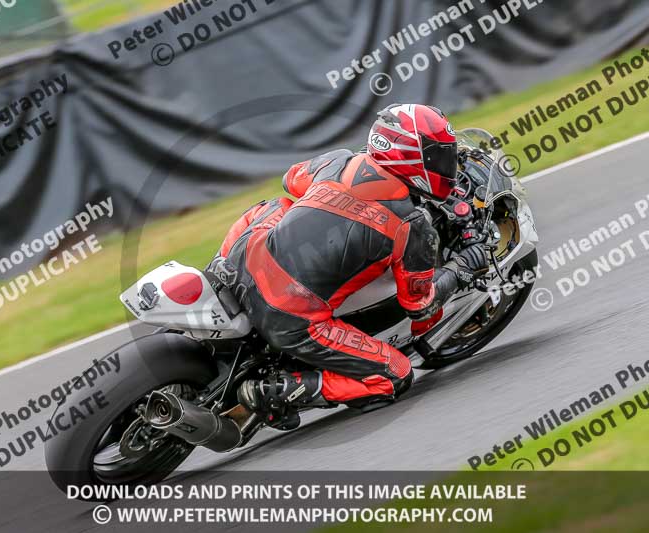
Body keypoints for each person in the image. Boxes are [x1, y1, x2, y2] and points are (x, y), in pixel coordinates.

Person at [209, 104, 488, 428]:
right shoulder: (413, 225)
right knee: (396, 374)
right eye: (439, 157)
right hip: (287, 314)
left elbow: (291, 181)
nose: (447, 165)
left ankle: (214, 271)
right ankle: (277, 390)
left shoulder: (338, 160)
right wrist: (463, 266)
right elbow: (421, 306)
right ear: (412, 159)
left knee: (279, 206)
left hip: (242, 259)